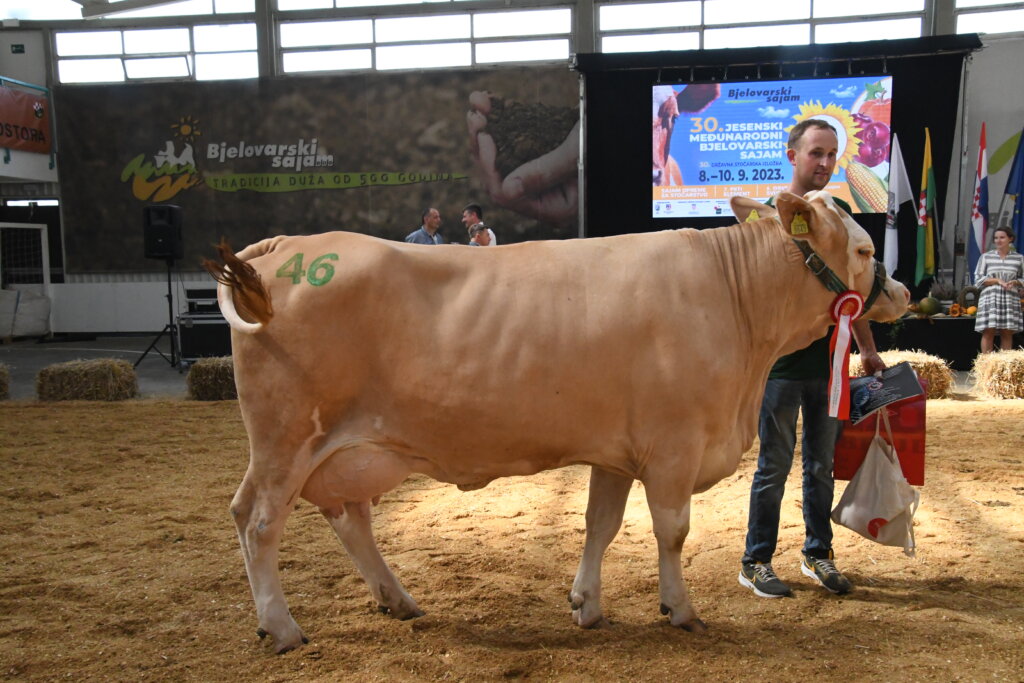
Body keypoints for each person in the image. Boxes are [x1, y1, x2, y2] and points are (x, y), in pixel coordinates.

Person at [739, 118, 886, 599]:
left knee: (821, 464)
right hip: (781, 368)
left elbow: (852, 289)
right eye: (815, 153)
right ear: (792, 155)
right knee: (773, 466)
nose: (823, 163)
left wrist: (866, 348)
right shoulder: (766, 217)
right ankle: (756, 560)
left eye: (830, 155)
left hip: (830, 368)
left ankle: (817, 553)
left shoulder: (839, 214)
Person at [974, 226, 1024, 352]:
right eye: (996, 238)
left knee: (1006, 332)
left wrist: (1016, 281)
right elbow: (978, 279)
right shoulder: (986, 257)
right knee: (988, 332)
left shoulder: (1019, 258)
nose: (998, 240)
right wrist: (997, 280)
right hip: (990, 297)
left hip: (1010, 298)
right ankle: (986, 366)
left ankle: (1002, 368)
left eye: (1002, 237)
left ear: (1010, 239)